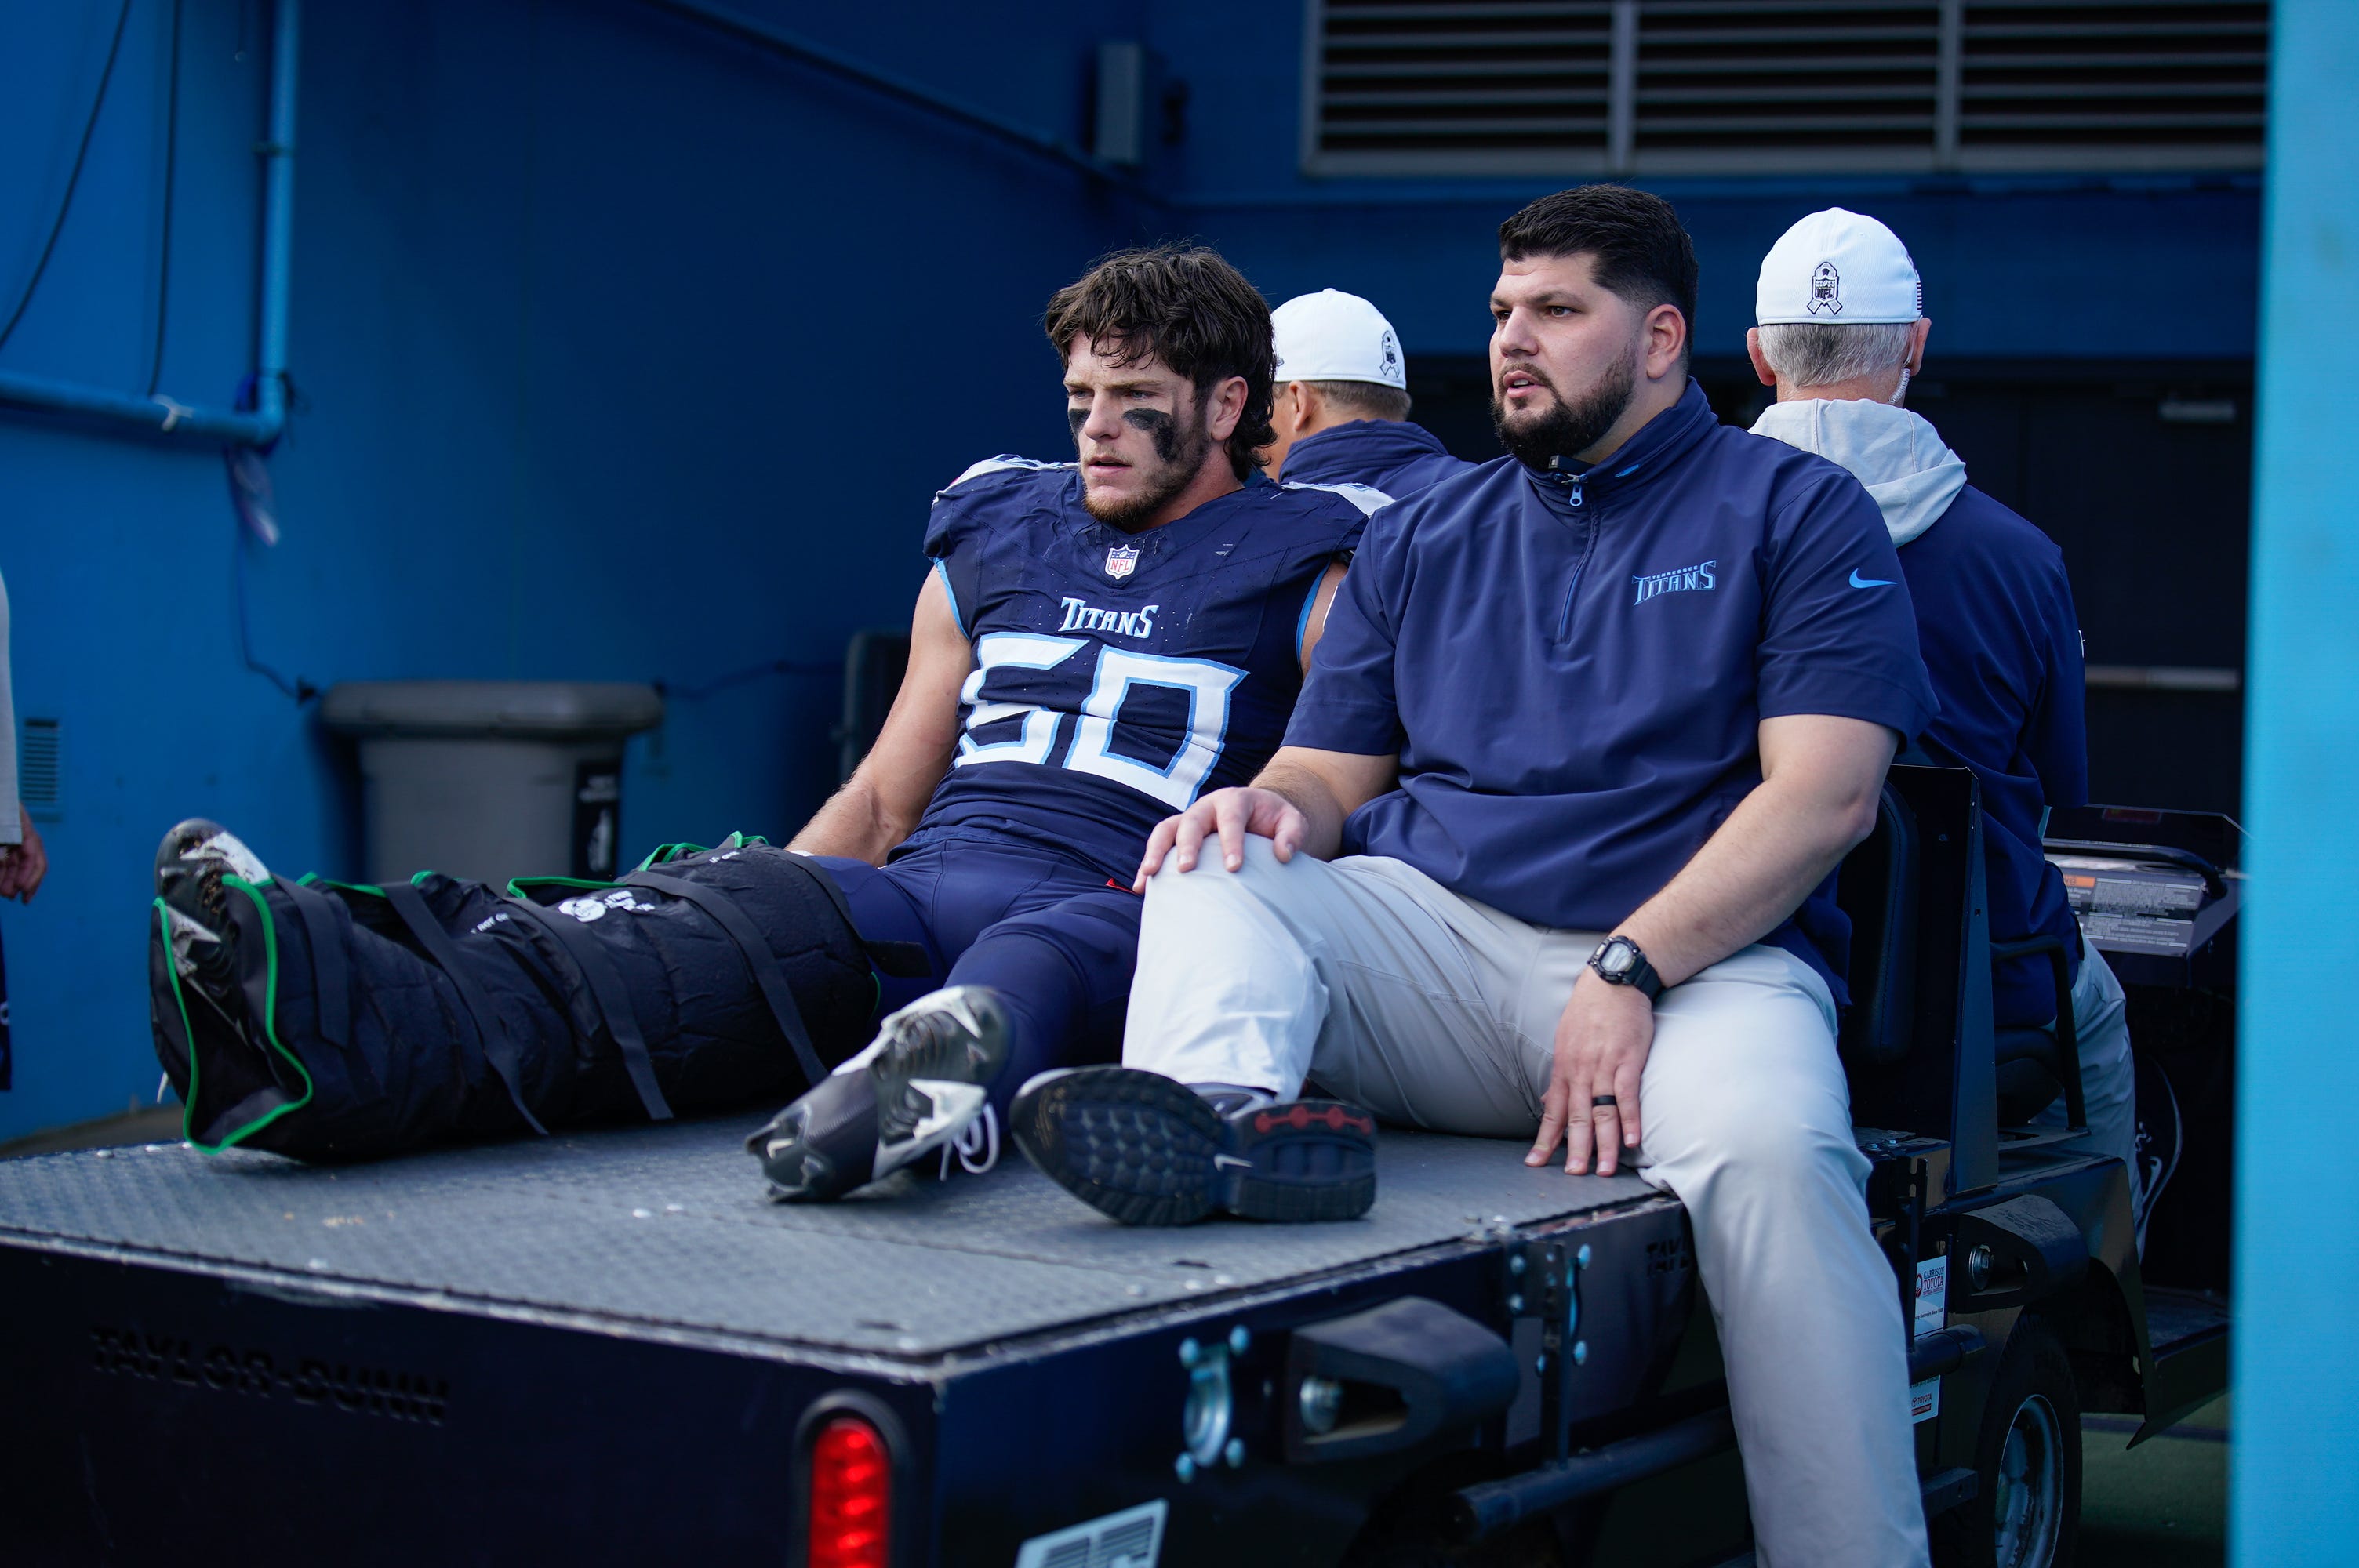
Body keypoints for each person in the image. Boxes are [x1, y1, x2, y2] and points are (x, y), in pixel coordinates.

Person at [1010, 187, 1937, 1566]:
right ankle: (1217, 1151)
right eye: (1503, 311)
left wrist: (1631, 967)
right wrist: (1253, 806)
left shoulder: (1794, 510)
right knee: (1216, 880)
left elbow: (1826, 797)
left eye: (1557, 312)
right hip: (1439, 950)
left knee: (1779, 1160)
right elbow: (1328, 780)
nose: (1512, 340)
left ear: (1662, 337)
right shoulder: (1424, 530)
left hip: (1688, 974)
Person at [147, 245, 1382, 1193]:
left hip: (1126, 905)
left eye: (1135, 398)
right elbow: (888, 797)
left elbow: (1335, 782)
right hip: (932, 877)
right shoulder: (998, 529)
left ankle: (924, 1100)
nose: (1097, 428)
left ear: (1229, 408)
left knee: (1035, 963)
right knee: (645, 947)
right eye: (1079, 398)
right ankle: (302, 997)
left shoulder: (1325, 562)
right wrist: (762, 898)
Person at [1744, 207, 2145, 1240]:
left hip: (1745, 964)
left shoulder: (1684, 536)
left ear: (1756, 355)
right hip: (1987, 993)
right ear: (1917, 344)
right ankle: (2110, 1272)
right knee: (2100, 1018)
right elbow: (2056, 790)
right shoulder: (2019, 556)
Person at [1258, 289, 1474, 496]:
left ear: (1299, 402)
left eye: (1262, 408)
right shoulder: (1482, 493)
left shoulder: (1270, 521)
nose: (1254, 441)